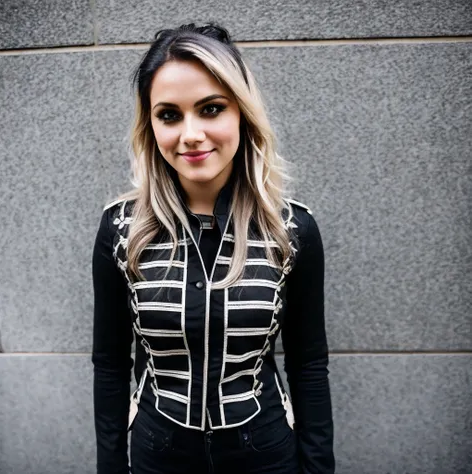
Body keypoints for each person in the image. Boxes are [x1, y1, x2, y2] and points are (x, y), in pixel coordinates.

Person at [91, 22, 335, 474]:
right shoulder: (122, 229)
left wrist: (318, 468)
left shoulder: (291, 229)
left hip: (264, 453)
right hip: (155, 453)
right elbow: (109, 363)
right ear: (150, 125)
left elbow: (308, 363)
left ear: (241, 112)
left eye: (210, 109)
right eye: (169, 115)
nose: (191, 134)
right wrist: (111, 465)